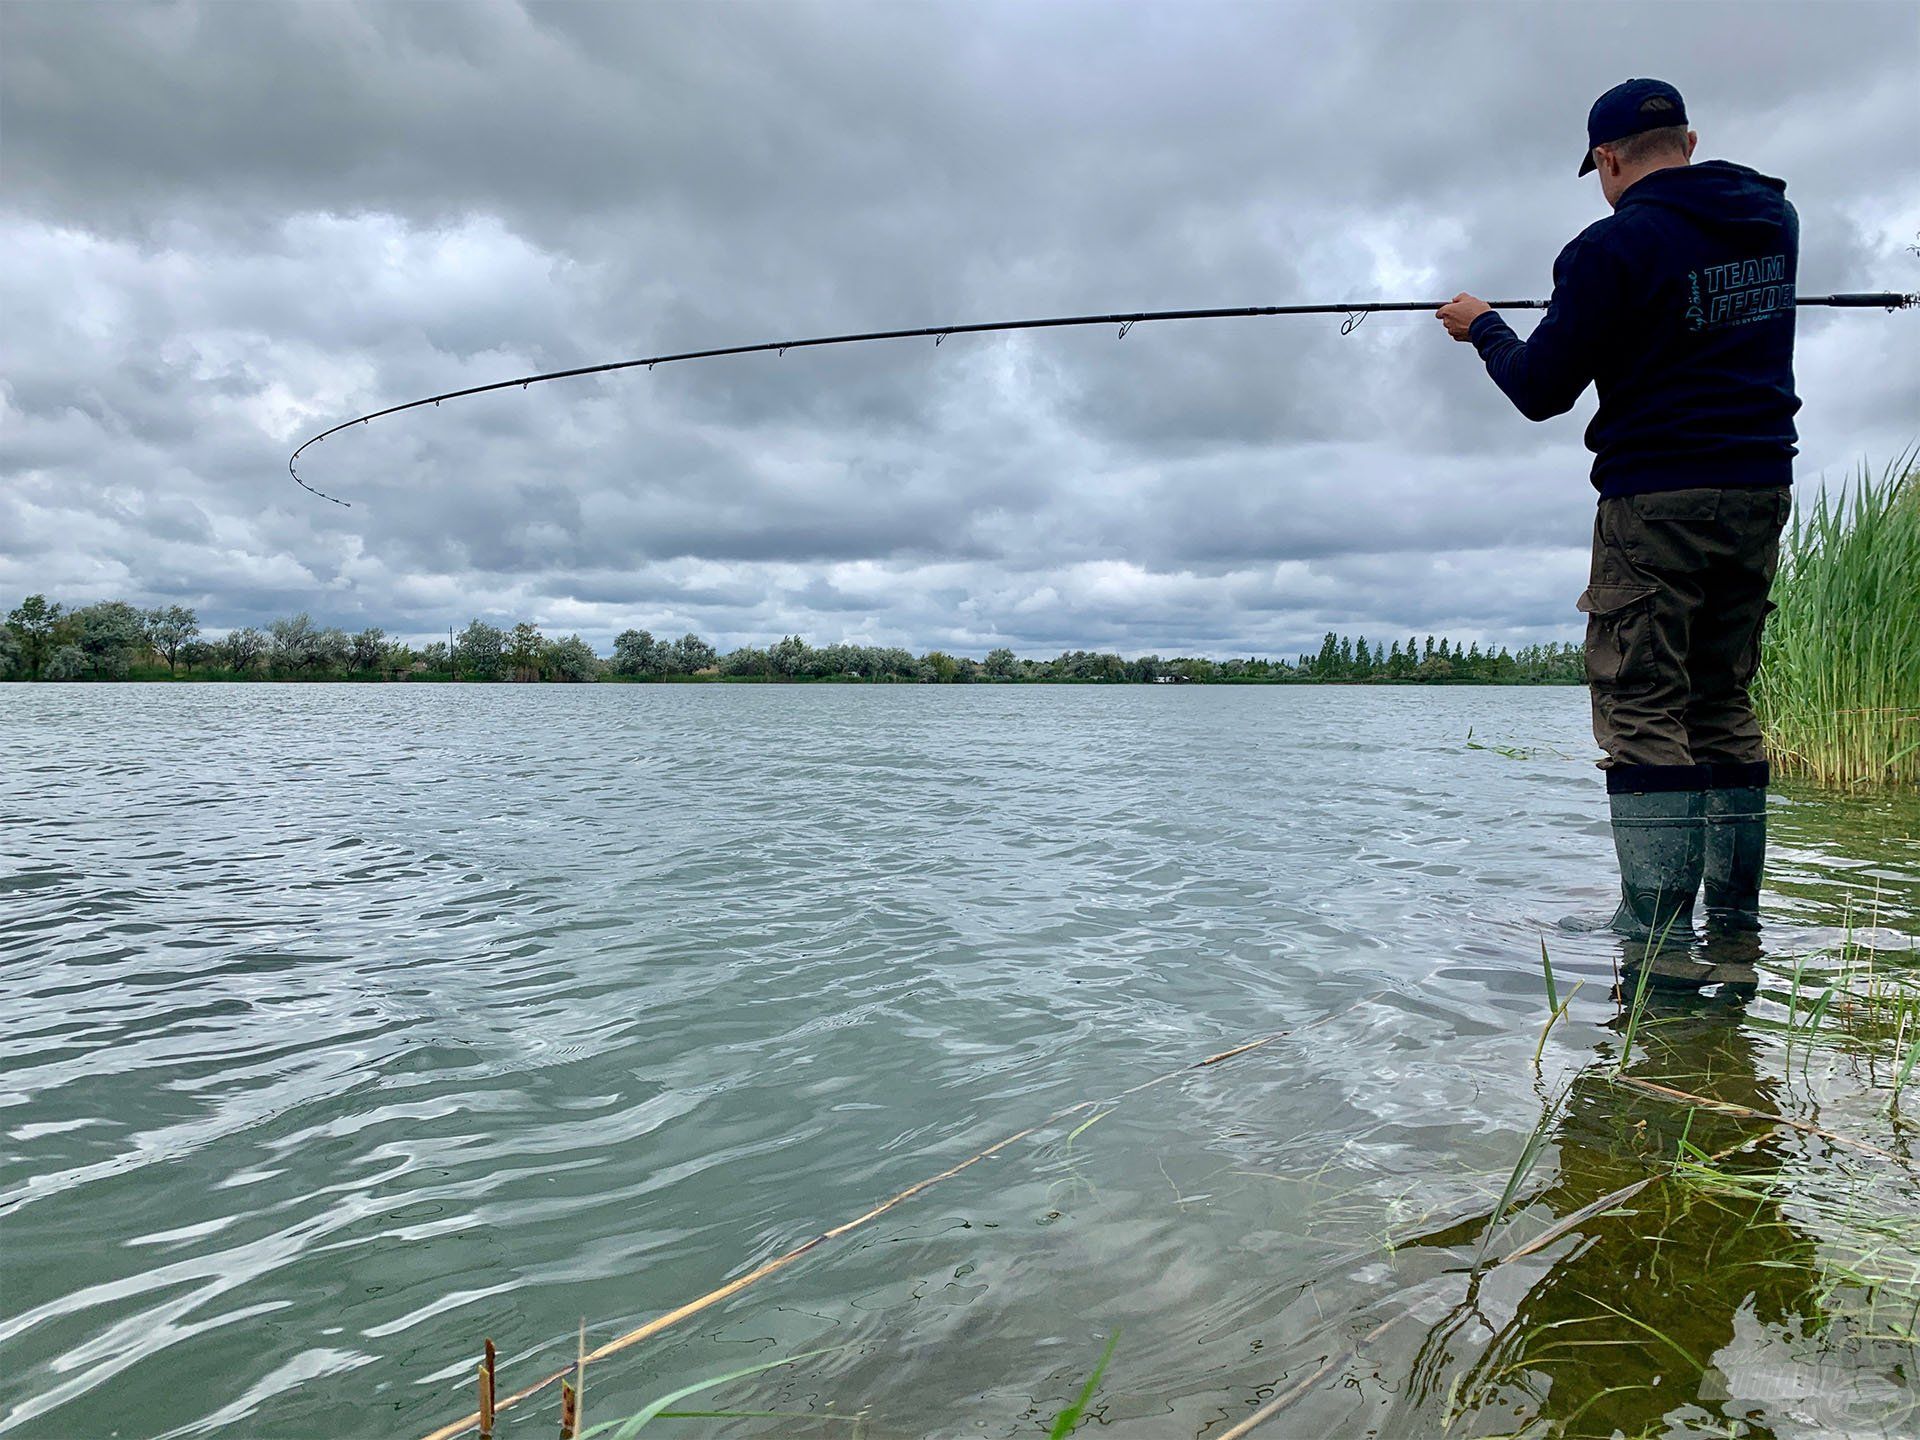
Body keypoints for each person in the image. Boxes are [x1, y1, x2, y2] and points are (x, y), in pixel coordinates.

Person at [1436, 79, 1797, 953]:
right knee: (1720, 701)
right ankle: (1735, 928)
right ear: (1690, 138)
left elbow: (1538, 390)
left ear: (1606, 159)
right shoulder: (1773, 222)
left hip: (1656, 497)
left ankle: (1656, 933)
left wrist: (1484, 326)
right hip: (1759, 488)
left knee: (1642, 705)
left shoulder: (1609, 247)